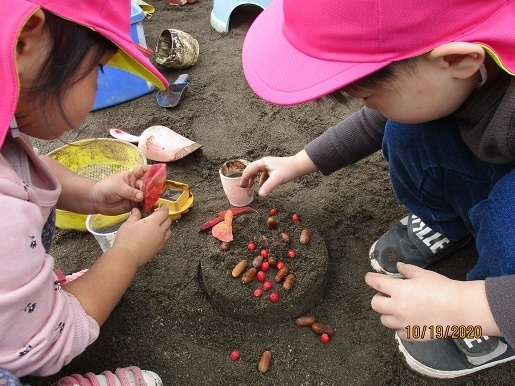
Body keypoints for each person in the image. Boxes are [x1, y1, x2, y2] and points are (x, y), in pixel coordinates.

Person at [239, 0, 515, 379]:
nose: (368, 105)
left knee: (508, 218)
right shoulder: (451, 67)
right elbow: (378, 119)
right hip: (492, 161)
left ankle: (494, 329)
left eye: (369, 95)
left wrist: (473, 307)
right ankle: (449, 224)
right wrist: (298, 162)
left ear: (457, 60)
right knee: (403, 125)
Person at [1, 0, 172, 377]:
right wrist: (125, 254)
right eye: (96, 67)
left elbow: (21, 167)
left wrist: (91, 193)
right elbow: (39, 349)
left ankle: (34, 299)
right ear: (29, 38)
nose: (99, 83)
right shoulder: (4, 219)